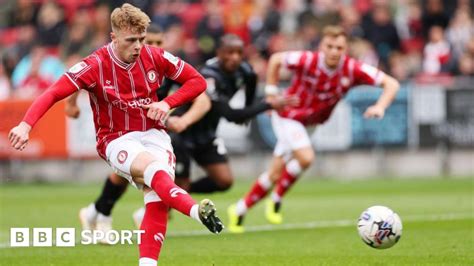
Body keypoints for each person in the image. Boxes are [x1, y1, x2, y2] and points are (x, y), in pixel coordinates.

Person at [8, 4, 223, 265]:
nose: (138, 46)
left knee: (156, 198)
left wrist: (167, 103)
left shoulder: (155, 56)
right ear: (114, 37)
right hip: (116, 138)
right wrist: (25, 125)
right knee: (154, 171)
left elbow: (197, 81)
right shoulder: (94, 64)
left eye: (141, 39)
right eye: (131, 40)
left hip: (155, 134)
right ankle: (195, 211)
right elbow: (53, 92)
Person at [227, 25, 400, 233]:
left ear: (345, 49)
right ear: (322, 47)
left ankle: (239, 210)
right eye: (330, 46)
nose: (334, 51)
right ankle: (277, 196)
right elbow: (275, 60)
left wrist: (380, 106)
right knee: (306, 157)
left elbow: (391, 84)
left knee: (274, 174)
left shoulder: (352, 69)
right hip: (288, 116)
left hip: (311, 123)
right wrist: (272, 95)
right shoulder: (307, 60)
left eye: (339, 47)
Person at [132, 33, 298, 226]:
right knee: (181, 187)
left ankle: (169, 196)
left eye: (238, 53)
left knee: (224, 181)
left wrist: (254, 106)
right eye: (229, 53)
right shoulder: (209, 77)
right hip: (182, 133)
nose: (235, 57)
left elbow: (248, 98)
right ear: (219, 53)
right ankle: (148, 212)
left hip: (207, 134)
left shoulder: (245, 71)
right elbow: (231, 114)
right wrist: (268, 104)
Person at [64, 23, 209, 244]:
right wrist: (71, 104)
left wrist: (183, 118)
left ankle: (100, 212)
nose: (149, 46)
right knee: (125, 174)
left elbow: (202, 96)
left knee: (160, 174)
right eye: (147, 41)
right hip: (125, 129)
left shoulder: (163, 63)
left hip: (156, 129)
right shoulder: (121, 60)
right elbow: (80, 79)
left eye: (158, 43)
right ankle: (101, 214)